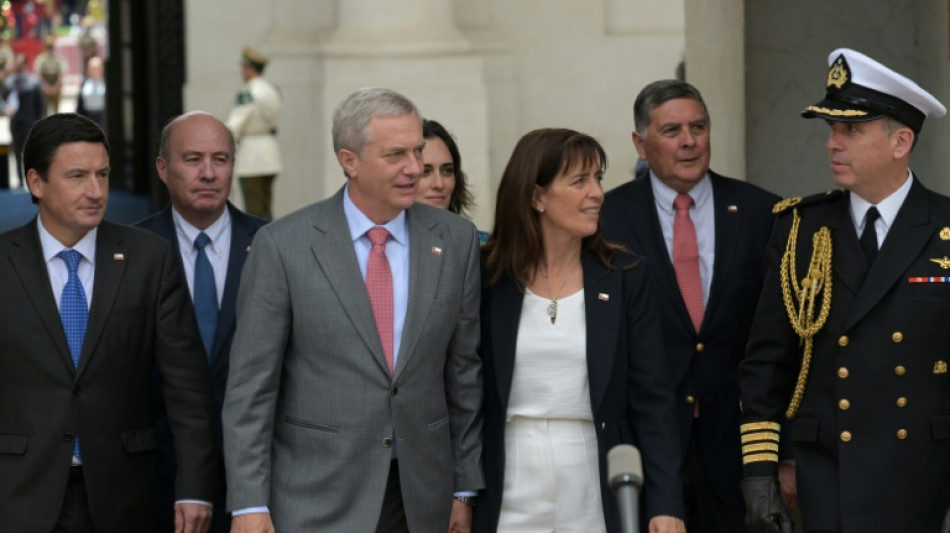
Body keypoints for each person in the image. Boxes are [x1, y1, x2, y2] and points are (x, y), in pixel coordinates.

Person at [222, 87, 484, 532]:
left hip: (422, 499)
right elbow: (251, 389)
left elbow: (464, 374)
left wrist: (464, 488)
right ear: (350, 161)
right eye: (395, 154)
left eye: (417, 150)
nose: (414, 168)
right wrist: (249, 503)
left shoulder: (456, 240)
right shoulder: (284, 246)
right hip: (316, 498)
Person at [738, 48, 950, 533]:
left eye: (850, 130)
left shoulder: (944, 227)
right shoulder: (801, 231)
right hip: (827, 474)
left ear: (901, 141)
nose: (833, 143)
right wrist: (760, 473)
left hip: (926, 476)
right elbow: (766, 364)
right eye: (831, 129)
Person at [0, 112, 219, 531]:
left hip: (125, 493)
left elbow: (187, 389)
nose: (96, 191)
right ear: (36, 182)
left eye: (102, 174)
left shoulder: (149, 259)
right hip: (18, 493)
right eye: (78, 176)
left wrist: (194, 486)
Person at [474, 128, 685, 533]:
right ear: (537, 196)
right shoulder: (488, 278)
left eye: (598, 178)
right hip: (508, 473)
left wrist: (665, 503)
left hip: (594, 471)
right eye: (579, 181)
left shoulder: (625, 277)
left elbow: (653, 401)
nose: (597, 193)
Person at [601, 80, 780, 533]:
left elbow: (782, 339)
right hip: (648, 445)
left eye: (698, 127)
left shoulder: (763, 212)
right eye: (672, 130)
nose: (689, 141)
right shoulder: (605, 218)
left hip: (738, 445)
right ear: (641, 143)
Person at [136, 111, 267, 533]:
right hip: (156, 474)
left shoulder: (273, 246)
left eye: (221, 159)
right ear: (162, 168)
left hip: (256, 478)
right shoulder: (130, 252)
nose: (208, 173)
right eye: (192, 160)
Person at [226, 46, 282, 220]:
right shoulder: (273, 89)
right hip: (270, 153)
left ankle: (259, 245)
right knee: (265, 205)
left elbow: (236, 123)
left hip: (252, 157)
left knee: (254, 208)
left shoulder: (249, 92)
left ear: (249, 68)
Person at [418, 118, 489, 243]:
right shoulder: (380, 245)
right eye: (425, 172)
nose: (439, 184)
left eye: (447, 170)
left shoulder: (480, 246)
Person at [4, 53, 45, 187]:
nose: (18, 65)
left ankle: (32, 180)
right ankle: (20, 181)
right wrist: (5, 108)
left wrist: (40, 124)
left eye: (21, 63)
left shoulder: (34, 82)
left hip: (30, 124)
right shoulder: (9, 82)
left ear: (26, 64)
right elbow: (2, 100)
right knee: (16, 153)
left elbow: (40, 106)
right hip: (15, 124)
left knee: (31, 154)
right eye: (17, 63)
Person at [33, 34, 66, 115]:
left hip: (56, 88)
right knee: (44, 112)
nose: (49, 49)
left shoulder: (58, 59)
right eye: (48, 46)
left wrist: (55, 86)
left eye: (51, 46)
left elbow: (61, 74)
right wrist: (45, 86)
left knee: (56, 112)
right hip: (45, 89)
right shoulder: (41, 59)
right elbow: (39, 74)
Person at [76, 55, 106, 129]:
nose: (93, 71)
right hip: (88, 117)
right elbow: (80, 104)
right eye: (91, 68)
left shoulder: (106, 83)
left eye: (96, 68)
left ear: (102, 69)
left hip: (103, 117)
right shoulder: (85, 83)